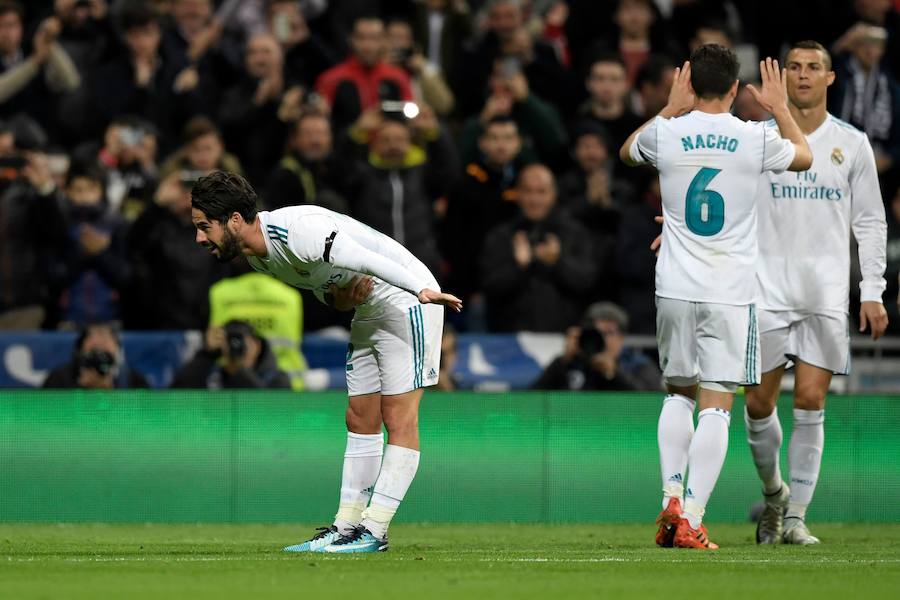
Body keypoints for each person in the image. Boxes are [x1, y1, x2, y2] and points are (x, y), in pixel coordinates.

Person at [190, 170, 461, 553]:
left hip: (407, 299)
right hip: (369, 308)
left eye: (205, 227)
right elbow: (329, 290)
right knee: (359, 417)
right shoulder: (260, 259)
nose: (200, 238)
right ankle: (346, 526)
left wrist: (421, 290)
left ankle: (374, 531)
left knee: (399, 418)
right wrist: (341, 300)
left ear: (234, 220)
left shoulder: (298, 230)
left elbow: (365, 259)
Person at [620, 45, 813, 548]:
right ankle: (693, 517)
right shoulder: (755, 137)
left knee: (678, 393)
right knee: (717, 404)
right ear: (734, 88)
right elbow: (804, 156)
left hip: (674, 286)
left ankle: (670, 496)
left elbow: (627, 151)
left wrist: (669, 108)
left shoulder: (666, 132)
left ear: (689, 84)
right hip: (728, 291)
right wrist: (780, 108)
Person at [744, 41, 888, 546]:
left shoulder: (852, 143)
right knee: (758, 404)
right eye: (794, 67)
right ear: (783, 77)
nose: (803, 75)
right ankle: (774, 494)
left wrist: (873, 290)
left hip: (824, 292)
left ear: (830, 78)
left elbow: (870, 221)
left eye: (813, 68)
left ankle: (796, 518)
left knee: (810, 398)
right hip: (763, 289)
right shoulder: (757, 139)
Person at [479, 164, 596, 332]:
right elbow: (489, 286)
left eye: (541, 192)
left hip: (563, 337)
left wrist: (557, 262)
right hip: (510, 339)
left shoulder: (575, 233)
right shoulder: (500, 235)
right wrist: (518, 267)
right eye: (528, 191)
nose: (534, 199)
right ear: (517, 193)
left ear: (554, 194)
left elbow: (587, 282)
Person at [531, 302, 662, 391]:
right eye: (597, 333)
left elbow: (651, 403)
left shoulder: (638, 365)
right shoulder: (571, 363)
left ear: (621, 338)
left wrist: (614, 373)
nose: (603, 339)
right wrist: (563, 362)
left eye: (608, 333)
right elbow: (532, 399)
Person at [170, 319, 292, 389]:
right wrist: (207, 354)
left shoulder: (276, 378)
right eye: (230, 341)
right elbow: (176, 396)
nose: (235, 346)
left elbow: (270, 412)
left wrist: (238, 371)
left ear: (257, 345)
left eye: (240, 341)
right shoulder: (212, 376)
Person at [43, 322, 149, 389]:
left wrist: (111, 392)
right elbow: (46, 412)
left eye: (106, 339)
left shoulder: (133, 380)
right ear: (80, 350)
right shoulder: (59, 378)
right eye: (93, 341)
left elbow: (145, 413)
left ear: (117, 349)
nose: (99, 342)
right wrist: (81, 389)